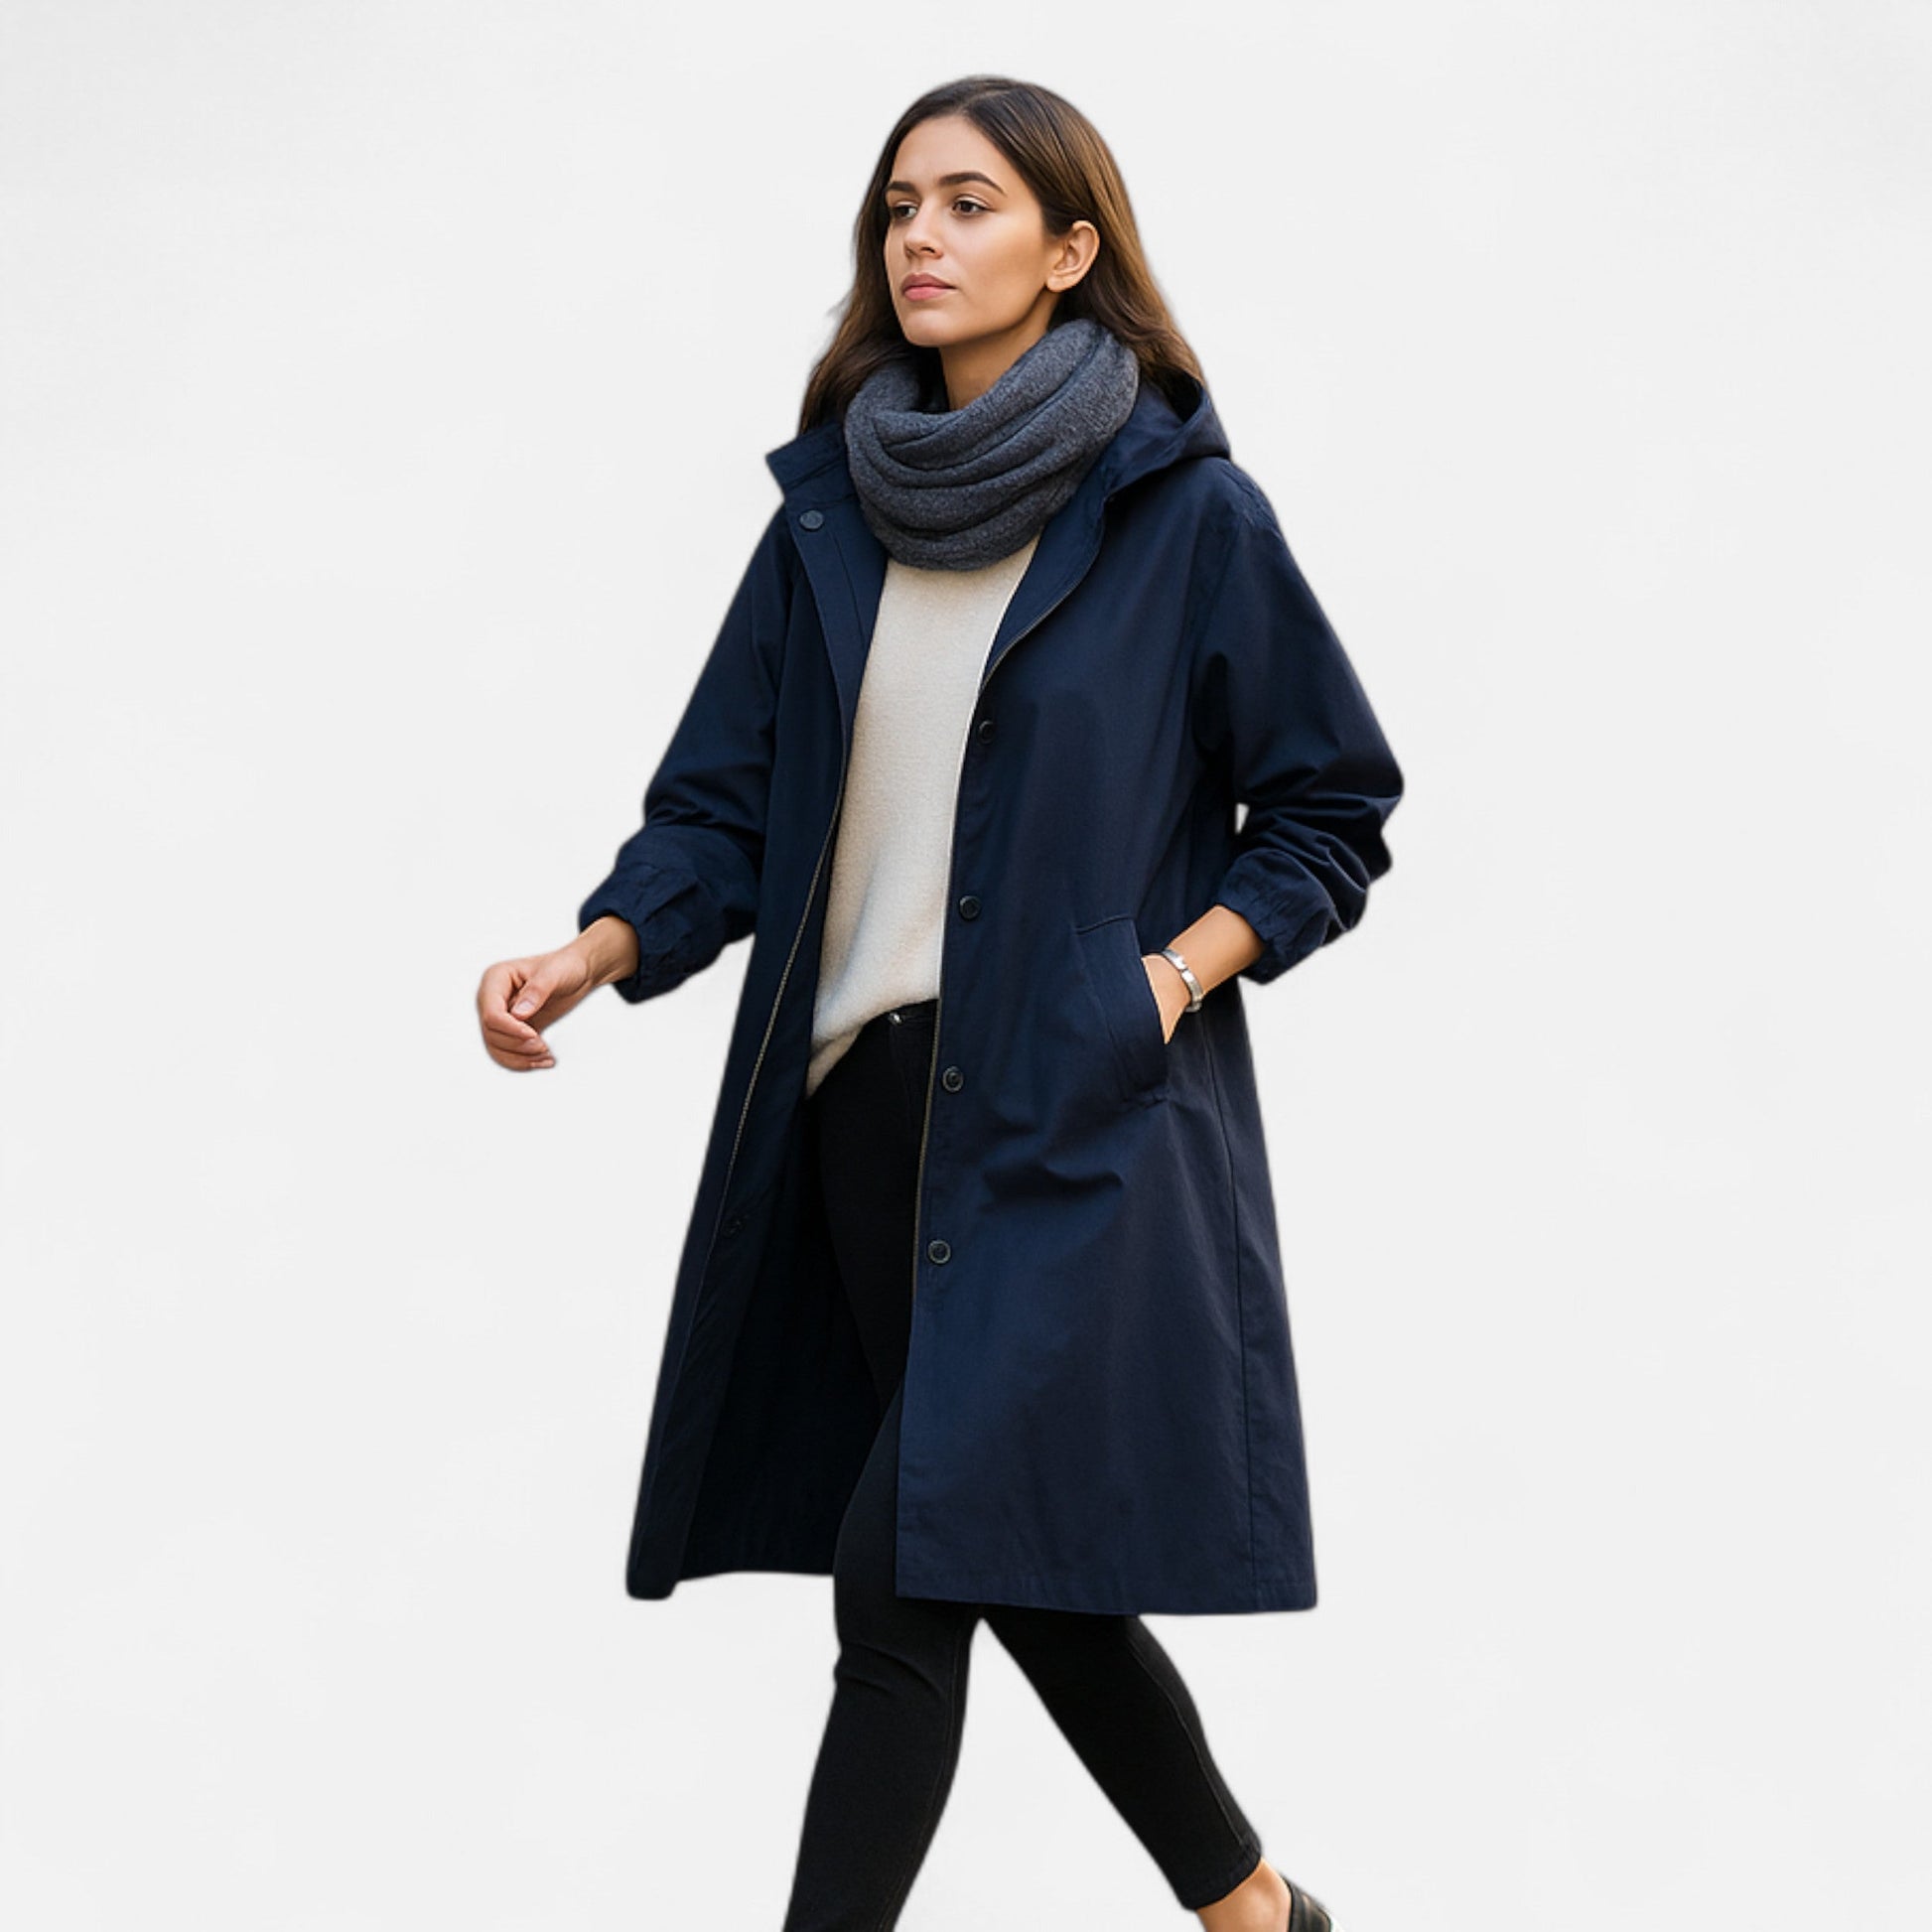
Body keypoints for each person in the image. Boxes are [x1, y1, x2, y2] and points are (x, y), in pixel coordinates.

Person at [477, 73, 1400, 1932]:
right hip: (859, 1115)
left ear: (1069, 250)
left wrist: (1163, 980)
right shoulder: (832, 519)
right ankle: (1260, 1916)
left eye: (970, 204)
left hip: (1070, 1114)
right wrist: (604, 941)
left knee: (895, 1583)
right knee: (998, 1557)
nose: (919, 236)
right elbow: (726, 804)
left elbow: (1329, 809)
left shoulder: (1188, 520)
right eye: (900, 204)